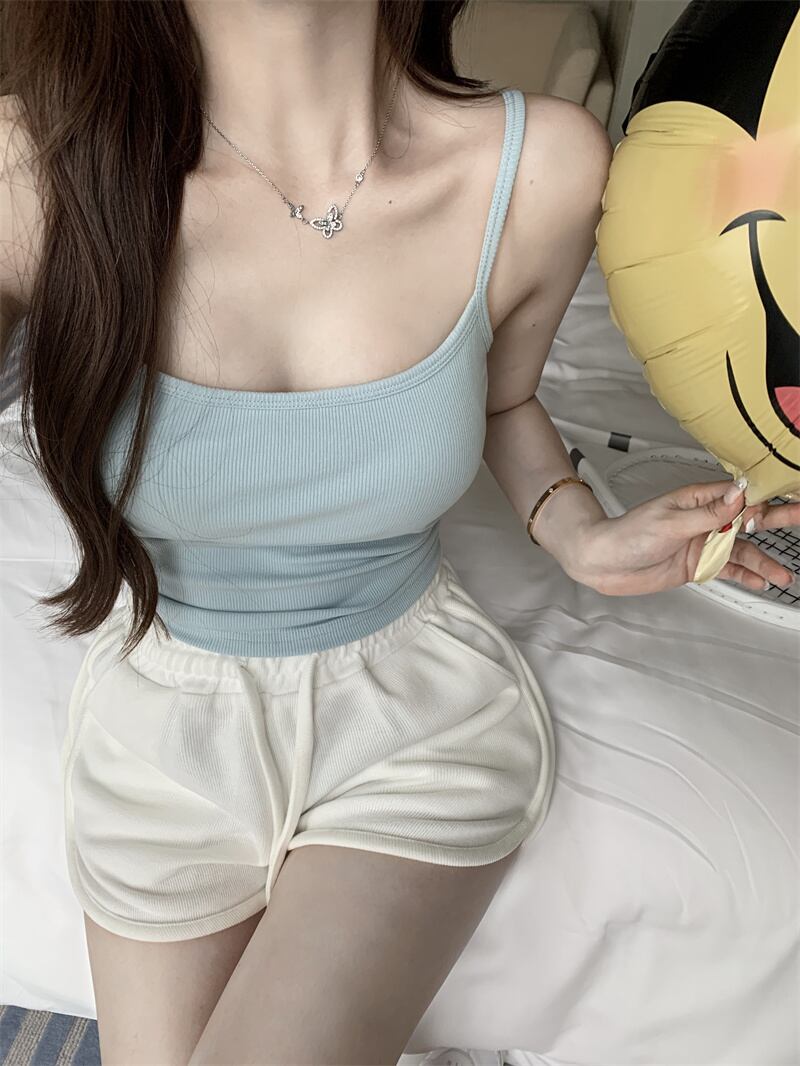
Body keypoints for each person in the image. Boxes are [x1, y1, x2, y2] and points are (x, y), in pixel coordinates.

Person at [1, 2, 796, 1064]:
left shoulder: (539, 166)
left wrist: (577, 533)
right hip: (158, 736)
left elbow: (503, 399)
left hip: (412, 724)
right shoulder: (34, 171)